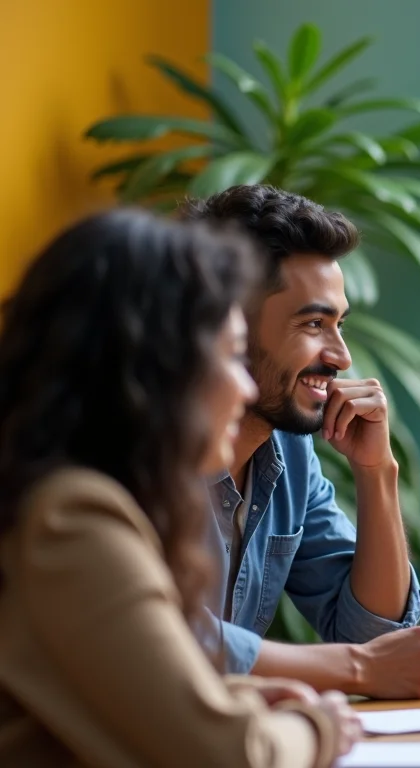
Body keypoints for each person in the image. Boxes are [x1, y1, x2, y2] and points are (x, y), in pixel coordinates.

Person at [0, 210, 360, 766]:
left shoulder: (76, 501)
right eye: (227, 355)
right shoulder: (73, 519)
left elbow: (126, 693)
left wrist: (237, 696)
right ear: (156, 367)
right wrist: (316, 726)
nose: (243, 387)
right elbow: (227, 758)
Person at [178, 185, 420, 699]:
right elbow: (167, 641)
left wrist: (378, 473)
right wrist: (356, 668)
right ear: (227, 326)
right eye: (313, 323)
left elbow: (373, 637)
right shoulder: (134, 456)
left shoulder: (288, 453)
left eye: (339, 324)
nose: (341, 357)